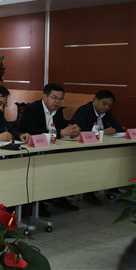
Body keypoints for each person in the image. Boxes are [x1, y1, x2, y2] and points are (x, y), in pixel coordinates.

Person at [19, 83, 82, 214]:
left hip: (49, 151)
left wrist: (72, 129)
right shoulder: (32, 110)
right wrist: (61, 133)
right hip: (30, 152)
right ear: (44, 96)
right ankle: (38, 201)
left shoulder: (57, 112)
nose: (57, 101)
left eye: (61, 99)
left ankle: (58, 196)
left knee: (66, 163)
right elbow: (35, 132)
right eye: (54, 98)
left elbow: (62, 125)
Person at [70, 89, 123, 207]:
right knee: (96, 158)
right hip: (82, 147)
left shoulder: (106, 112)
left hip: (100, 146)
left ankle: (112, 186)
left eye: (109, 105)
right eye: (104, 103)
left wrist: (112, 130)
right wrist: (103, 132)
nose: (106, 107)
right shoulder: (84, 111)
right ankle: (89, 191)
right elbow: (79, 131)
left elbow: (118, 127)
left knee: (117, 155)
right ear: (95, 100)